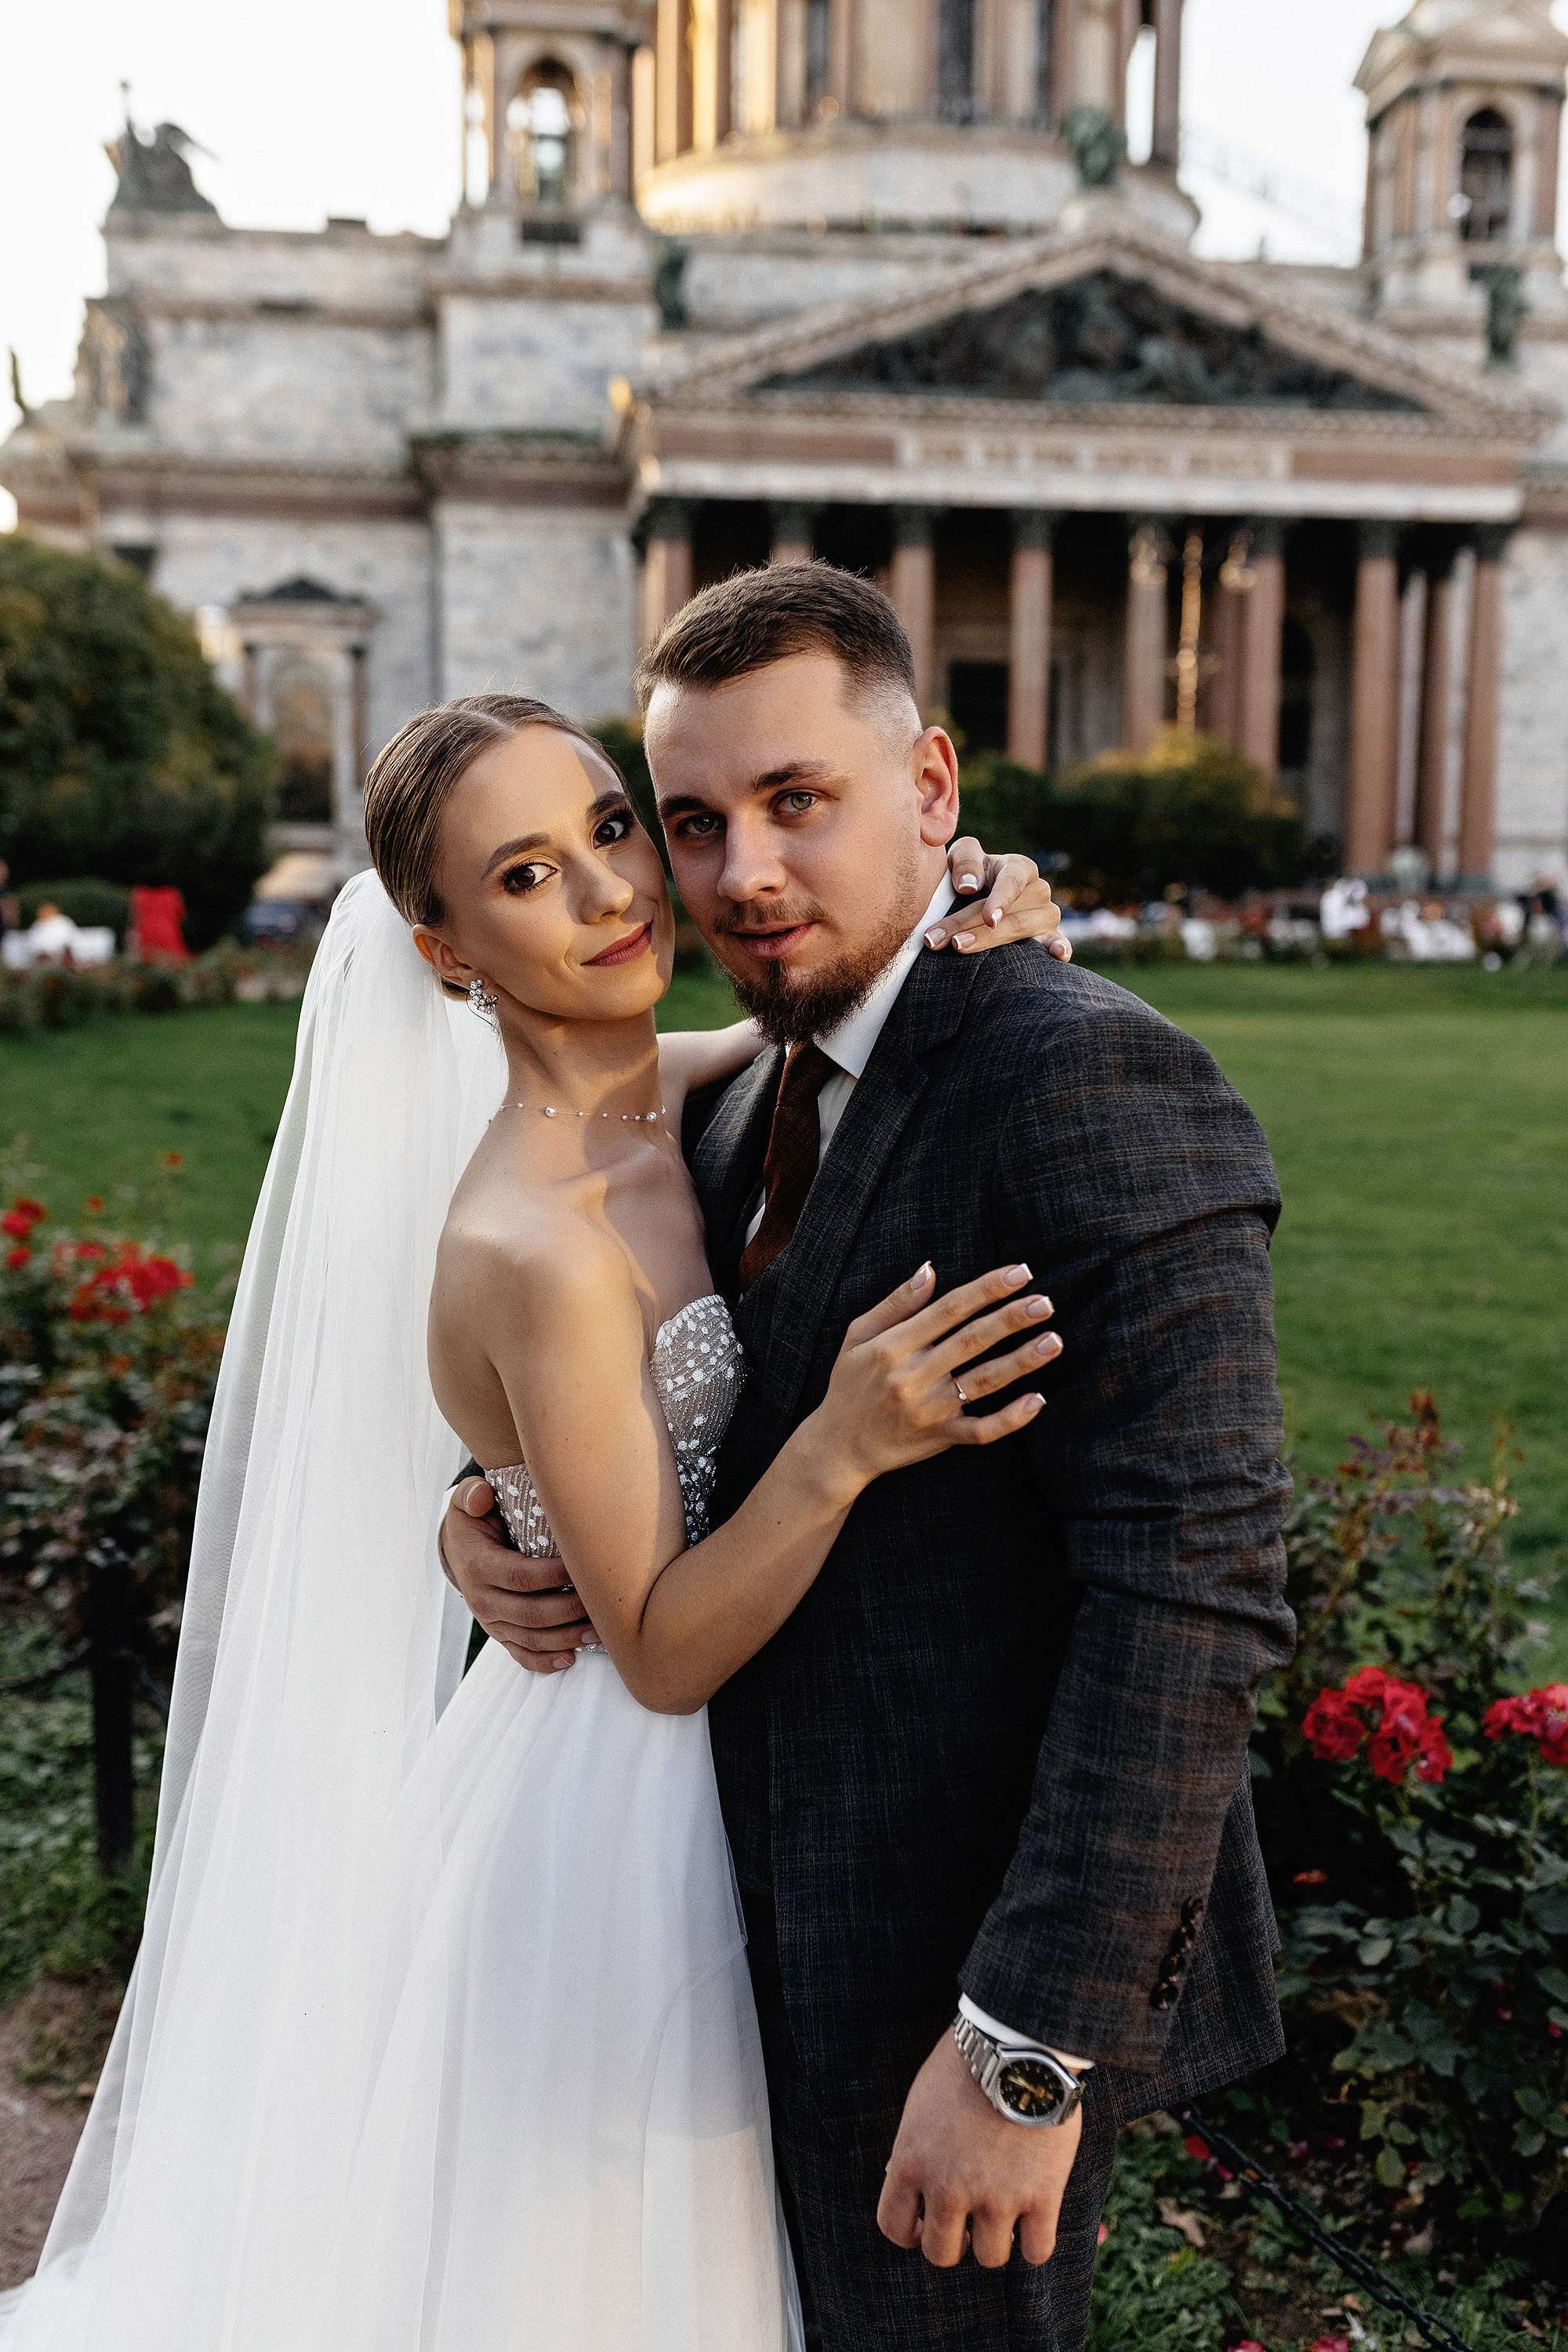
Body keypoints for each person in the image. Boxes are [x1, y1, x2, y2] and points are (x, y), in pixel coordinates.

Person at [0, 686, 1061, 2352]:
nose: (609, 892)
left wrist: (972, 894)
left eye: (610, 828)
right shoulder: (541, 1241)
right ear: (444, 952)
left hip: (713, 1781)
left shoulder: (662, 1095)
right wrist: (843, 1445)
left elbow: (815, 1028)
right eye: (524, 875)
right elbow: (658, 1649)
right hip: (610, 1823)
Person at [444, 565, 1296, 2350]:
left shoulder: (1086, 1082)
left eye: (798, 800)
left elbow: (1193, 1595)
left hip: (946, 1991)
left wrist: (1024, 2049)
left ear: (929, 785)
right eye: (694, 821)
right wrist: (494, 1515)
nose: (742, 871)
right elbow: (662, 1426)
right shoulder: (727, 1097)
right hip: (693, 1951)